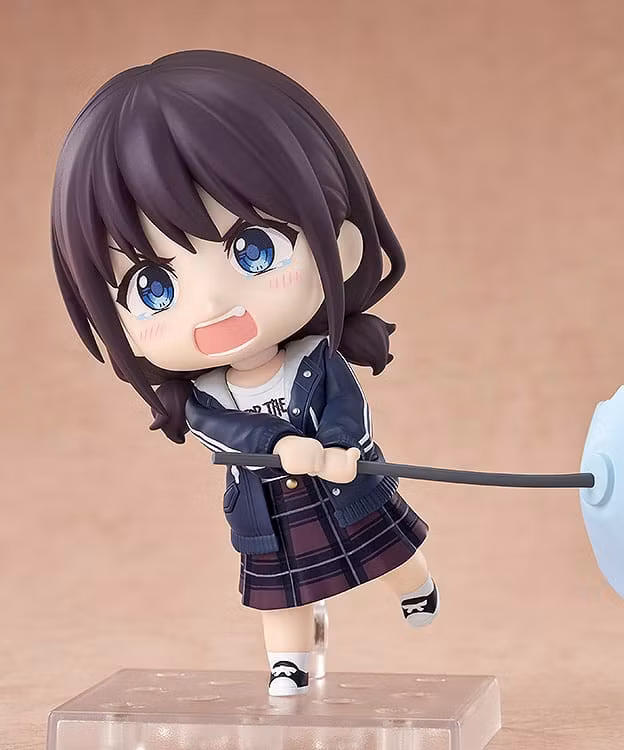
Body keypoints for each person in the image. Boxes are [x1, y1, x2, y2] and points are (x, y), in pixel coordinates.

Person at [51, 50, 438, 697]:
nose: (211, 303)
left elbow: (344, 404)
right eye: (153, 287)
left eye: (252, 249)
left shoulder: (315, 360)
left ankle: (416, 587)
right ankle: (290, 663)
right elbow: (221, 430)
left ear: (339, 239)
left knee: (384, 543)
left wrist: (342, 446)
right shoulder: (204, 395)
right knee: (283, 590)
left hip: (342, 482)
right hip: (267, 506)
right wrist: (278, 444)